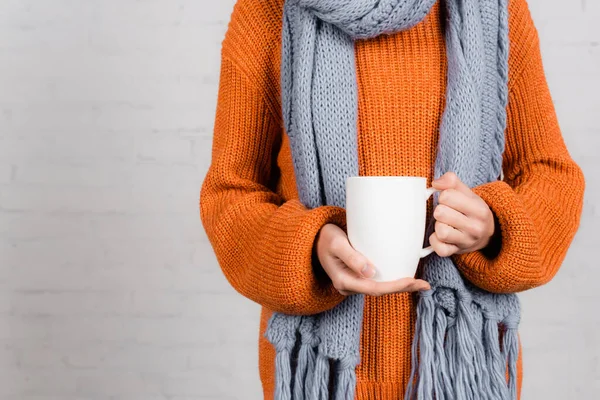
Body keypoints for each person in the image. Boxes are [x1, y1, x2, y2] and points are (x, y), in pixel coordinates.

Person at [200, 0, 585, 399]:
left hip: (464, 369)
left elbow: (552, 176)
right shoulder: (266, 11)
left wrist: (493, 227)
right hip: (324, 374)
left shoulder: (496, 10)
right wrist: (308, 248)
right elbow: (230, 194)